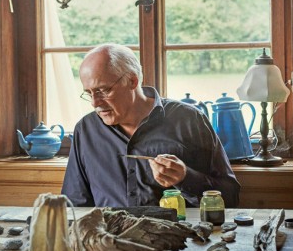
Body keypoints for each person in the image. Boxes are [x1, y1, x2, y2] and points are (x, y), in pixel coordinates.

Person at [61, 43, 241, 208]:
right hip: (109, 239)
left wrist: (185, 178)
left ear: (132, 80)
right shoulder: (86, 129)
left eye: (103, 90)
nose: (94, 102)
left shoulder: (188, 119)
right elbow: (74, 205)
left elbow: (230, 197)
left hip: (179, 239)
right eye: (89, 93)